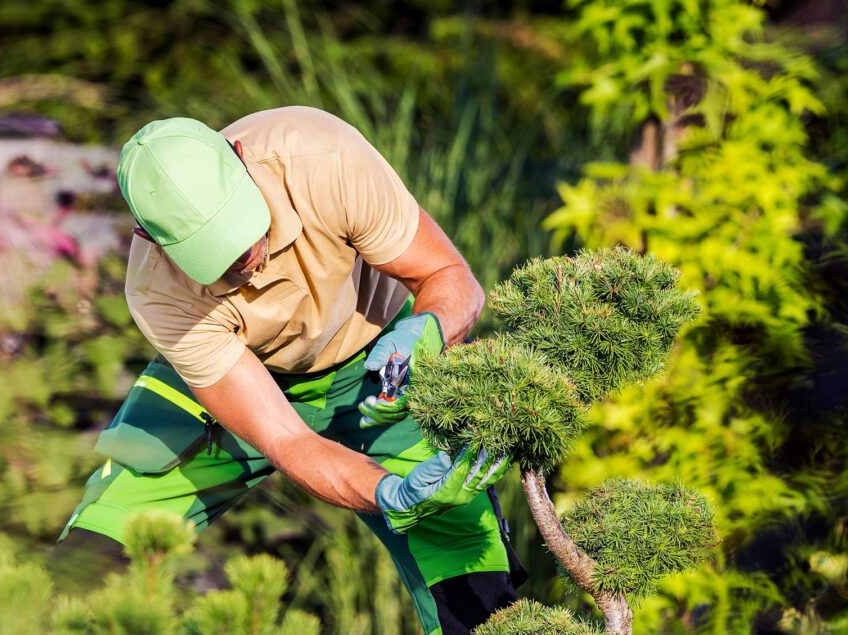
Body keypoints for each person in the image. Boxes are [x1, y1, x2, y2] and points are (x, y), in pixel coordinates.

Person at [50, 106, 522, 635]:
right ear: (149, 238)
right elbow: (286, 439)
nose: (246, 258)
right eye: (215, 254)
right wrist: (388, 493)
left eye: (239, 228)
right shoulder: (157, 292)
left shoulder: (322, 157)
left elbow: (447, 274)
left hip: (386, 366)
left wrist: (428, 330)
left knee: (476, 596)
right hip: (242, 384)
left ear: (240, 157)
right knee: (83, 570)